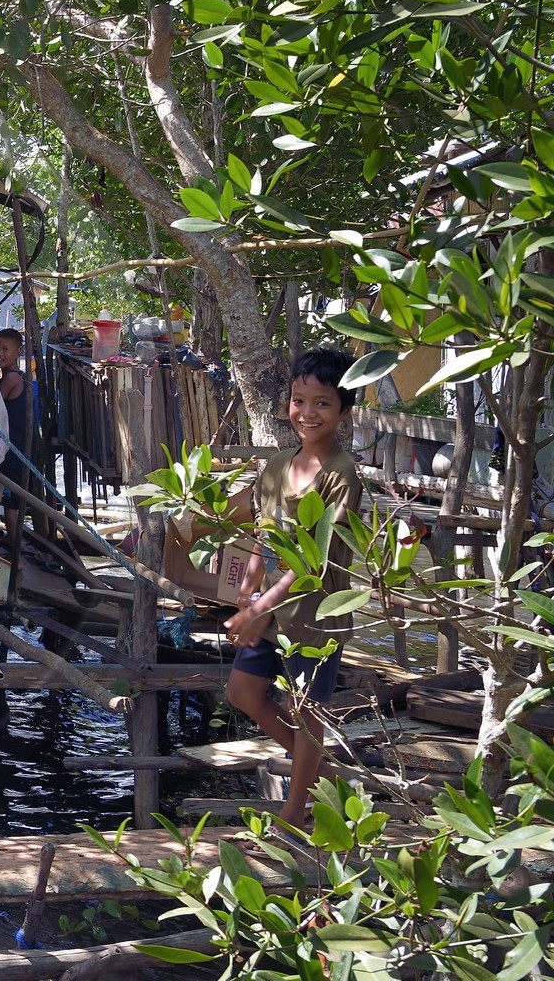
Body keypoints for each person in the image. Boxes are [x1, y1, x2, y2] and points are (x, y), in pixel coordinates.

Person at [223, 347, 364, 829]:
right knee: (243, 692)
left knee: (306, 714)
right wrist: (247, 594)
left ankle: (295, 806)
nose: (307, 413)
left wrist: (257, 607)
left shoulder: (342, 475)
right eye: (299, 400)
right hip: (269, 612)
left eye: (322, 403)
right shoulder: (278, 465)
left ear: (344, 409)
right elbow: (262, 536)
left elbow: (313, 560)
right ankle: (322, 775)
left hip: (315, 616)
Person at [0, 328, 29, 549]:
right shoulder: (13, 375)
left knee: (12, 507)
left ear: (18, 353)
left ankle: (17, 559)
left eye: (5, 349)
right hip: (15, 447)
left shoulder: (12, 378)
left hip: (14, 451)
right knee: (10, 503)